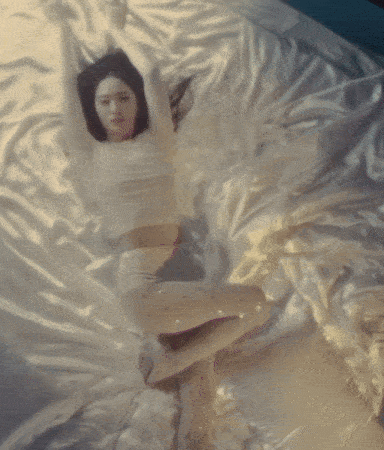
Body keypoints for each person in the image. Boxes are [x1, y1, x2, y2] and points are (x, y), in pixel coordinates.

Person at [75, 50, 272, 450]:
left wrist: (119, 27)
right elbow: (68, 90)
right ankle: (168, 363)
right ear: (92, 110)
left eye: (124, 98)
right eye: (104, 101)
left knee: (199, 400)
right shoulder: (90, 153)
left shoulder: (157, 141)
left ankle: (189, 418)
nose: (115, 109)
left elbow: (150, 71)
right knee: (256, 304)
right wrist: (64, 30)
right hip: (143, 288)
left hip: (179, 282)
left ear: (139, 101)